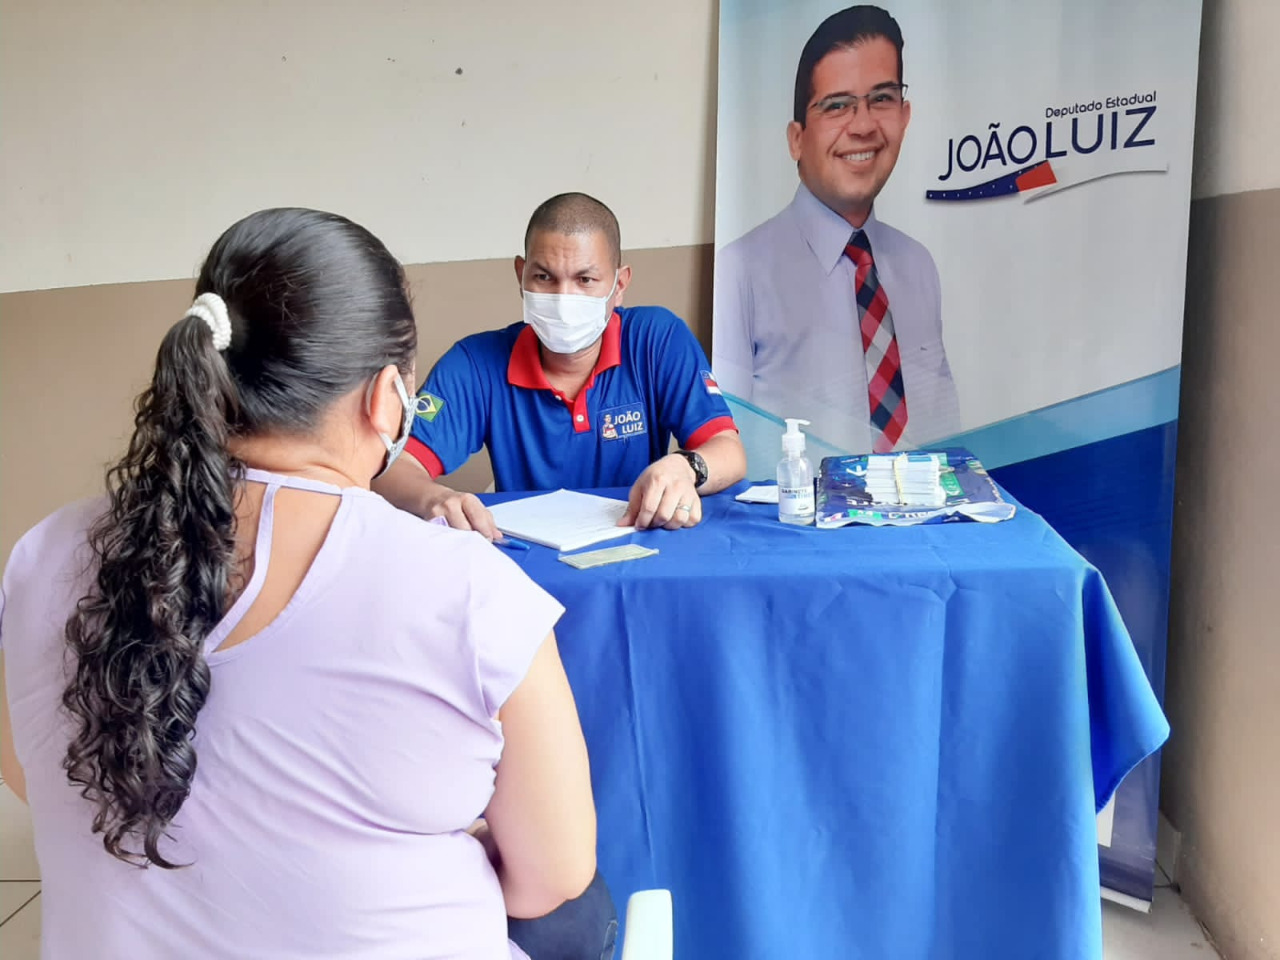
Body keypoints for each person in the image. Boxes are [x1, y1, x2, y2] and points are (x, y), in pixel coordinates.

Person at [0, 208, 615, 960]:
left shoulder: (41, 557)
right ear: (386, 397)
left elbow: (36, 773)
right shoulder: (469, 591)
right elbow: (550, 879)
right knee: (582, 912)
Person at [374, 192, 746, 537]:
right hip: (528, 564)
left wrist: (685, 467)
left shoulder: (656, 340)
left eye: (585, 279)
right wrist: (434, 500)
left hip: (640, 549)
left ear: (619, 285)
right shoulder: (474, 363)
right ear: (521, 275)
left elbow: (727, 449)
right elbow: (392, 469)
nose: (563, 297)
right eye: (544, 277)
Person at [713, 4, 960, 455]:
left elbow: (944, 434)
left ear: (905, 115)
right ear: (797, 138)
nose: (863, 125)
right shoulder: (738, 272)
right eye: (838, 106)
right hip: (796, 523)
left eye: (881, 99)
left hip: (921, 518)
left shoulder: (918, 265)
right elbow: (725, 448)